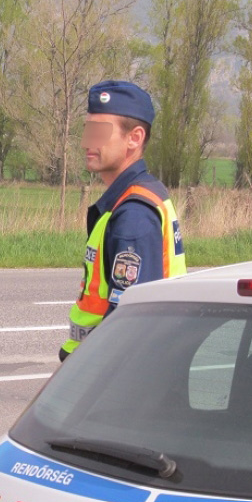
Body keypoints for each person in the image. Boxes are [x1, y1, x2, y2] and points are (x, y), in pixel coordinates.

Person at [60, 80, 186, 361]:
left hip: (109, 375)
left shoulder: (134, 215)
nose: (87, 142)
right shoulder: (132, 198)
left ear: (135, 138)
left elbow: (131, 324)